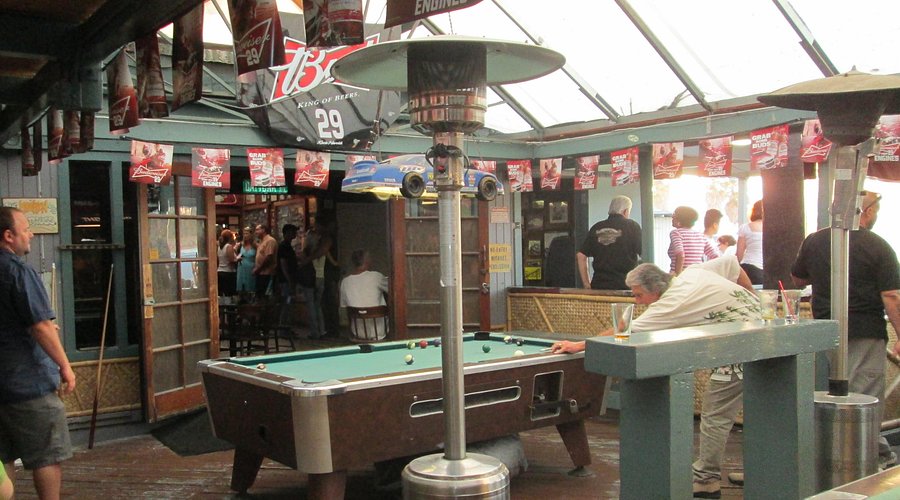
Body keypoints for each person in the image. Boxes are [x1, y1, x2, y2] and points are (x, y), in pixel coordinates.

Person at [551, 255, 757, 499]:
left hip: (741, 349)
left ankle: (706, 480)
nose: (636, 301)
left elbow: (624, 329)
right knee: (763, 410)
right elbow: (732, 264)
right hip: (768, 332)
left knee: (715, 416)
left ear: (656, 289)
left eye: (638, 295)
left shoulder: (669, 304)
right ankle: (761, 470)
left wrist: (577, 345)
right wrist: (753, 297)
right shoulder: (692, 273)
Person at [792, 190, 900, 469]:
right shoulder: (877, 246)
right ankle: (866, 460)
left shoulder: (815, 241)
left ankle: (864, 453)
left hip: (825, 330)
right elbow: (892, 296)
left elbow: (798, 277)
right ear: (867, 212)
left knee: (834, 394)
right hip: (864, 330)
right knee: (864, 397)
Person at [0, 206, 76, 500]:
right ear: (9, 236)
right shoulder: (18, 271)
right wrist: (65, 366)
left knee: (3, 456)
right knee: (46, 456)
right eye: (26, 229)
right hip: (26, 383)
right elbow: (41, 326)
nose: (30, 234)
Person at [576, 195, 642, 290]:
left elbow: (581, 256)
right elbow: (644, 253)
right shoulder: (632, 226)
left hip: (599, 286)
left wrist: (586, 284)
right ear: (626, 211)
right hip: (625, 285)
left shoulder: (596, 227)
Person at [340, 249, 390, 341]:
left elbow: (344, 307)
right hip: (379, 332)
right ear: (367, 261)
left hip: (357, 332)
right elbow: (392, 289)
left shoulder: (345, 282)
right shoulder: (376, 276)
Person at [668, 206, 718, 276]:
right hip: (697, 276)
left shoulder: (676, 233)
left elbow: (680, 254)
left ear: (679, 220)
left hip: (683, 276)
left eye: (674, 214)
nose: (672, 217)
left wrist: (677, 276)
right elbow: (715, 256)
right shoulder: (701, 235)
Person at [277, 224, 300, 327]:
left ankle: (286, 326)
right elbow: (283, 264)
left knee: (289, 303)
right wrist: (289, 279)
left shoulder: (288, 246)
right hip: (286, 281)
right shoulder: (284, 246)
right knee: (287, 303)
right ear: (286, 233)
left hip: (288, 279)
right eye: (293, 232)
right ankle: (283, 326)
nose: (295, 234)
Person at [736, 200, 764, 285]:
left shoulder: (745, 227)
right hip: (766, 271)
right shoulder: (773, 228)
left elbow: (739, 255)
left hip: (748, 267)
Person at [252, 224, 278, 298]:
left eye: (257, 230)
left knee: (265, 295)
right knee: (260, 294)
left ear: (263, 230)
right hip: (261, 273)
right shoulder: (262, 241)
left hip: (267, 273)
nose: (255, 232)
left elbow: (268, 257)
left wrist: (258, 269)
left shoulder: (270, 241)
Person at [235, 227, 256, 293]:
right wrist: (237, 257)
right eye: (244, 234)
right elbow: (234, 254)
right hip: (241, 267)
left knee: (250, 288)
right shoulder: (240, 245)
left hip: (251, 268)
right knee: (241, 288)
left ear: (251, 235)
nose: (245, 235)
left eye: (247, 233)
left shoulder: (255, 245)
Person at [216, 229, 237, 297]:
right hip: (228, 272)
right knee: (229, 293)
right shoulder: (228, 246)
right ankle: (229, 303)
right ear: (230, 237)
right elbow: (231, 260)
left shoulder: (219, 247)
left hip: (220, 271)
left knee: (222, 293)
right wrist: (238, 259)